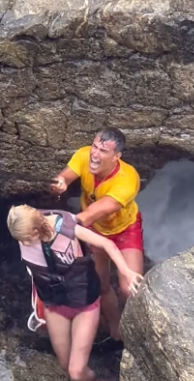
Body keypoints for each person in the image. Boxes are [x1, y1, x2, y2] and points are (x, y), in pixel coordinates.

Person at [7, 205, 144, 381]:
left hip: (83, 304)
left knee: (76, 370)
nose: (23, 243)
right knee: (65, 363)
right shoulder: (25, 232)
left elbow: (106, 243)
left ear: (35, 231)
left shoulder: (67, 227)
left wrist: (126, 271)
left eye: (25, 238)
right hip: (55, 304)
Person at [50, 128, 143, 341]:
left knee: (131, 288)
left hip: (124, 230)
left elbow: (96, 211)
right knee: (100, 284)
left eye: (102, 150)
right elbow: (64, 176)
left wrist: (63, 227)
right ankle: (115, 326)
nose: (94, 154)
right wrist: (59, 184)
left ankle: (138, 329)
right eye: (94, 146)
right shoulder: (84, 155)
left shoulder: (128, 179)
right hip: (94, 228)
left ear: (116, 156)